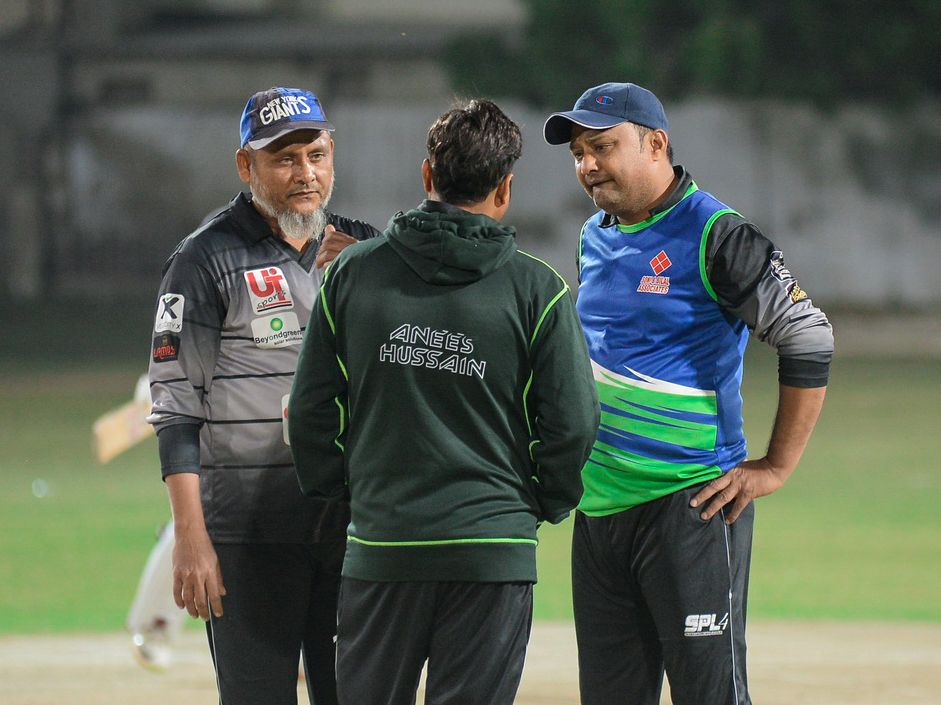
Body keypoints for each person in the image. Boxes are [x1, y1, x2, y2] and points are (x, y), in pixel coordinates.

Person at [288, 99, 600, 705]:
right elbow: (574, 422)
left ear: (427, 175)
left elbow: (309, 412)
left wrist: (345, 492)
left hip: (383, 545)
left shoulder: (352, 274)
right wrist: (539, 502)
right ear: (505, 189)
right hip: (493, 550)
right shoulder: (538, 290)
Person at [543, 82, 833, 705]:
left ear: (655, 144)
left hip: (690, 507)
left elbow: (809, 336)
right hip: (600, 512)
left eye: (601, 147)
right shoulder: (594, 235)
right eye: (578, 154)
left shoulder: (716, 234)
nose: (586, 165)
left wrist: (775, 467)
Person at [147, 86, 380, 705]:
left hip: (352, 529)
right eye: (284, 159)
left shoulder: (366, 251)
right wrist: (190, 539)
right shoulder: (203, 260)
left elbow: (413, 365)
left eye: (316, 155)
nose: (305, 174)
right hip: (248, 538)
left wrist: (381, 275)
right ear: (245, 165)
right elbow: (175, 405)